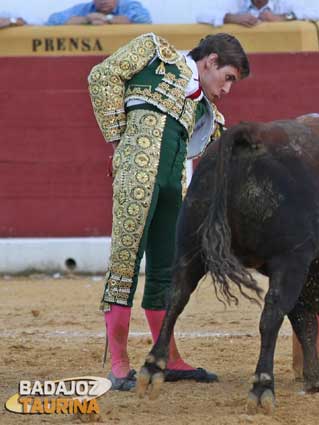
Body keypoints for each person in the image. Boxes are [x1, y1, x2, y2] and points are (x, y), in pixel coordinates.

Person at [88, 32, 250, 390]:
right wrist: (119, 140)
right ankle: (119, 365)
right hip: (138, 172)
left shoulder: (207, 110)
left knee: (167, 269)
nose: (226, 90)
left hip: (174, 180)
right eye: (228, 79)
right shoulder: (155, 52)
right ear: (210, 61)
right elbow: (101, 75)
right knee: (125, 263)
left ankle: (166, 357)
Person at [197, 0, 319, 28]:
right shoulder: (237, 3)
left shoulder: (283, 2)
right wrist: (231, 17)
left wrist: (282, 18)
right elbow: (201, 15)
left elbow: (315, 14)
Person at [46, 0, 151, 26]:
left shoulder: (129, 5)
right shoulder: (85, 8)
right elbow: (52, 20)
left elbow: (145, 20)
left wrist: (107, 19)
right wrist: (86, 19)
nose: (103, 1)